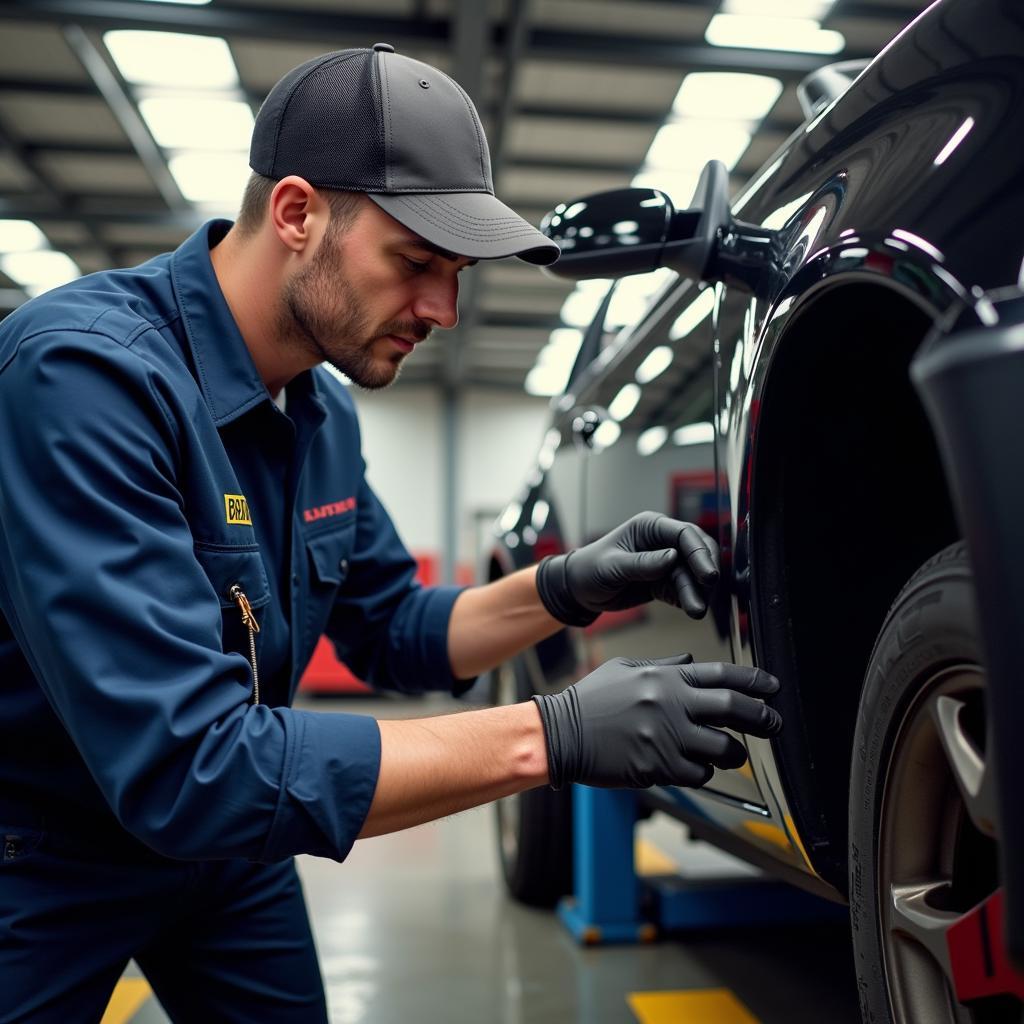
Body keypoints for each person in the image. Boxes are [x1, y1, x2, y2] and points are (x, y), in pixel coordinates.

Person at [0, 44, 782, 1022]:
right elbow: (184, 765)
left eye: (454, 273)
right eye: (415, 262)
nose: (443, 310)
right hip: (43, 853)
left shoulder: (317, 415)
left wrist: (565, 585)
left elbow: (395, 627)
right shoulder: (84, 380)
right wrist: (554, 733)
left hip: (227, 853)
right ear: (296, 213)